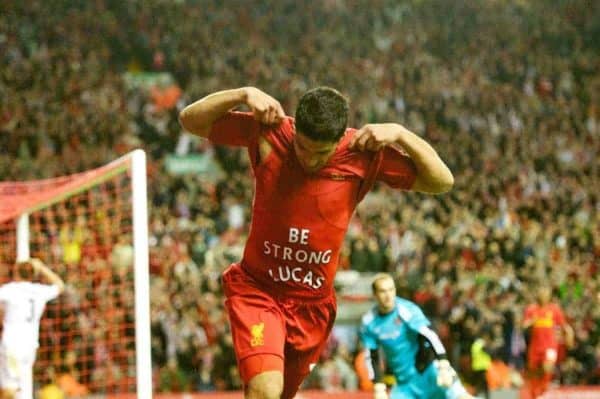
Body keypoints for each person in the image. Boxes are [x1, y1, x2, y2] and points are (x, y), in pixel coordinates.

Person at [179, 86, 454, 399]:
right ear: (295, 128)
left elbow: (442, 181)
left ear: (339, 140)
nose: (309, 160)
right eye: (302, 148)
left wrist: (401, 134)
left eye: (320, 154)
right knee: (265, 390)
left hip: (312, 306)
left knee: (281, 395)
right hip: (259, 290)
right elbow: (190, 121)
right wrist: (242, 94)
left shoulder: (361, 154)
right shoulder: (272, 132)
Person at [359, 273, 473, 399]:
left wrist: (443, 364)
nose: (388, 295)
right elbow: (372, 355)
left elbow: (430, 335)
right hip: (404, 385)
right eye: (383, 291)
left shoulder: (406, 310)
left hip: (429, 372)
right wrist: (379, 386)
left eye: (391, 290)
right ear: (375, 294)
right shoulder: (369, 322)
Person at [0, 258, 65, 399]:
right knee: (22, 388)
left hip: (12, 344)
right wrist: (42, 267)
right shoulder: (40, 291)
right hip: (30, 346)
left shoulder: (10, 290)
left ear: (16, 272)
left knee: (10, 388)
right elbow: (60, 285)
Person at [522, 285, 574, 398]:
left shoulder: (554, 309)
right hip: (535, 347)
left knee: (547, 367)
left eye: (546, 292)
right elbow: (524, 325)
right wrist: (532, 322)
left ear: (549, 295)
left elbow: (564, 325)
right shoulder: (531, 309)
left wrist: (570, 334)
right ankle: (537, 390)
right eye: (541, 292)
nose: (544, 295)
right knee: (534, 373)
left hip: (550, 345)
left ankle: (545, 387)